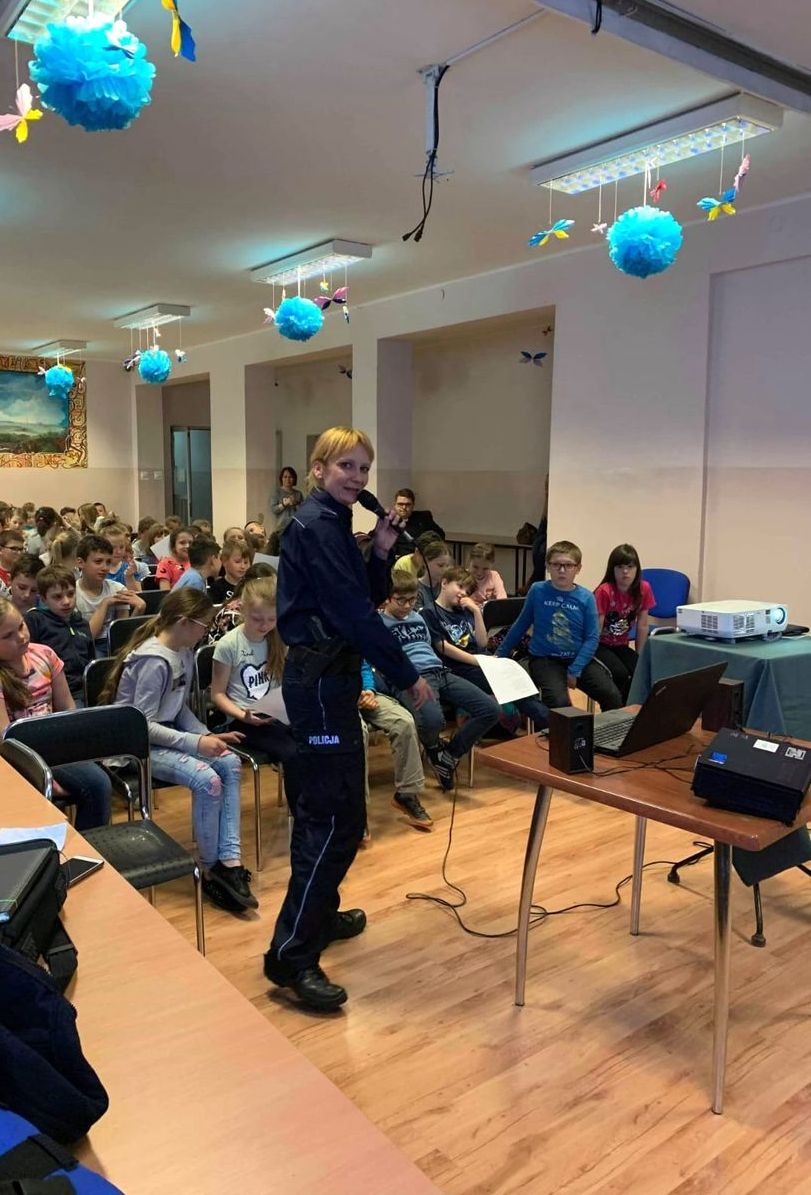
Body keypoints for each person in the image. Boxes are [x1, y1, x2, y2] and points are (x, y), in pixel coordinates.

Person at [263, 426, 431, 1014]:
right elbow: (357, 615)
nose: (358, 478)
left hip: (331, 679)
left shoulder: (333, 525)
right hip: (319, 682)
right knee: (329, 819)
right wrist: (407, 674)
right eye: (346, 467)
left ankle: (320, 916)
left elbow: (364, 595)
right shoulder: (314, 526)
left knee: (344, 811)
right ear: (318, 469)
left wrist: (382, 551)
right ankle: (291, 955)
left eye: (364, 469)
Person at [101, 588, 257, 912]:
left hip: (162, 738)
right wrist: (195, 743)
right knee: (207, 780)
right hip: (134, 749)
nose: (206, 631)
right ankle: (211, 868)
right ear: (185, 622)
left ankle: (229, 861)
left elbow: (179, 708)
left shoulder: (183, 650)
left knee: (228, 762)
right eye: (204, 625)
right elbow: (142, 724)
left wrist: (206, 736)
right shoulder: (154, 660)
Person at [379, 572, 500, 790]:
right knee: (434, 720)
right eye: (401, 600)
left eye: (412, 600)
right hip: (411, 677)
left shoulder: (417, 617)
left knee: (490, 709)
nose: (407, 606)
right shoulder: (378, 623)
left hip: (440, 671)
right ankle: (435, 750)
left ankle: (448, 755)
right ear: (387, 598)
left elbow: (426, 647)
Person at [0, 596, 111, 830]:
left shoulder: (44, 655)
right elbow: (5, 741)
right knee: (96, 783)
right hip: (22, 756)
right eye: (7, 636)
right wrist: (43, 772)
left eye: (20, 626)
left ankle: (89, 847)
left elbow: (67, 709)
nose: (20, 637)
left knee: (99, 781)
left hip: (56, 746)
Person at [210, 574, 302, 813]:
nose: (264, 625)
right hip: (243, 721)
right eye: (257, 619)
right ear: (242, 610)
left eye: (271, 619)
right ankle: (301, 813)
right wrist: (242, 714)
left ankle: (318, 806)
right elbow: (217, 694)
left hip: (276, 712)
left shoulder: (279, 639)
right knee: (293, 753)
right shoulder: (229, 644)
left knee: (315, 741)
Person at [496, 540, 622, 711]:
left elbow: (592, 638)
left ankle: (607, 736)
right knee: (559, 703)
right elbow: (520, 624)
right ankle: (563, 736)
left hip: (577, 659)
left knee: (611, 695)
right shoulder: (537, 590)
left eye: (568, 565)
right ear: (548, 566)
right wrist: (499, 655)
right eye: (556, 564)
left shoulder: (586, 597)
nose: (562, 570)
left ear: (578, 568)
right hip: (545, 659)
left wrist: (575, 670)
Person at [421, 565, 549, 729]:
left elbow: (481, 642)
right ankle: (551, 725)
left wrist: (476, 612)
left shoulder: (463, 610)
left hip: (481, 661)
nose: (462, 593)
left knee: (521, 683)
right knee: (511, 687)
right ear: (445, 583)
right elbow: (443, 647)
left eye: (467, 591)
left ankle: (548, 723)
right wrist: (479, 661)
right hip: (458, 667)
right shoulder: (429, 612)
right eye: (459, 587)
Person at [358, 659, 433, 830]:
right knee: (357, 733)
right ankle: (356, 812)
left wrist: (369, 690)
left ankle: (406, 795)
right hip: (334, 697)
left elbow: (364, 667)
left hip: (366, 693)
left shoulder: (354, 634)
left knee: (404, 722)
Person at [25, 564, 95, 706]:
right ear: (43, 599)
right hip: (55, 692)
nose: (66, 602)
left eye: (70, 594)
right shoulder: (36, 620)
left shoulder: (82, 623)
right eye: (57, 597)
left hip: (86, 689)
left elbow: (91, 660)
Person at [594, 544, 656, 704]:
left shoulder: (644, 589)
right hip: (600, 644)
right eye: (620, 567)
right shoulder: (604, 591)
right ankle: (617, 709)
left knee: (639, 671)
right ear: (612, 569)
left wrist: (640, 655)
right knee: (619, 673)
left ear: (637, 568)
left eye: (630, 566)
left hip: (621, 644)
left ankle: (630, 709)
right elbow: (596, 630)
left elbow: (642, 625)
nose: (626, 572)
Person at [75, 533, 145, 652]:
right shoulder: (72, 593)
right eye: (98, 562)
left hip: (113, 644)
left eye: (108, 562)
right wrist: (104, 604)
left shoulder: (117, 589)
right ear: (81, 563)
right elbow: (88, 638)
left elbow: (122, 636)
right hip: (87, 646)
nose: (105, 568)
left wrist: (140, 609)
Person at [390, 488, 445, 560]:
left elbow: (440, 535)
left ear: (413, 505)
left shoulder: (423, 518)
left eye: (408, 504)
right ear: (395, 505)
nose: (404, 507)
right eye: (400, 504)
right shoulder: (388, 521)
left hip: (421, 559)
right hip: (397, 561)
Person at [209, 538, 252, 605]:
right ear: (224, 562)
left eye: (246, 562)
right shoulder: (216, 588)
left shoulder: (252, 586)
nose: (243, 566)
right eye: (237, 562)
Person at [414, 538, 453, 610]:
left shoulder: (446, 587)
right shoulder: (415, 589)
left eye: (447, 566)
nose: (445, 570)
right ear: (426, 562)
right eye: (440, 565)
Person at [155, 526, 194, 590]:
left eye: (190, 543)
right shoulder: (165, 564)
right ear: (173, 546)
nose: (187, 546)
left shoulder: (197, 561)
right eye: (182, 543)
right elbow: (165, 592)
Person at [271, 467, 304, 534]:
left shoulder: (298, 494)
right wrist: (284, 504)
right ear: (281, 478)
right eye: (285, 477)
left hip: (296, 527)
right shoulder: (277, 492)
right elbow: (274, 509)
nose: (288, 479)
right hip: (281, 528)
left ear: (294, 479)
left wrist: (295, 504)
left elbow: (303, 511)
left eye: (290, 477)